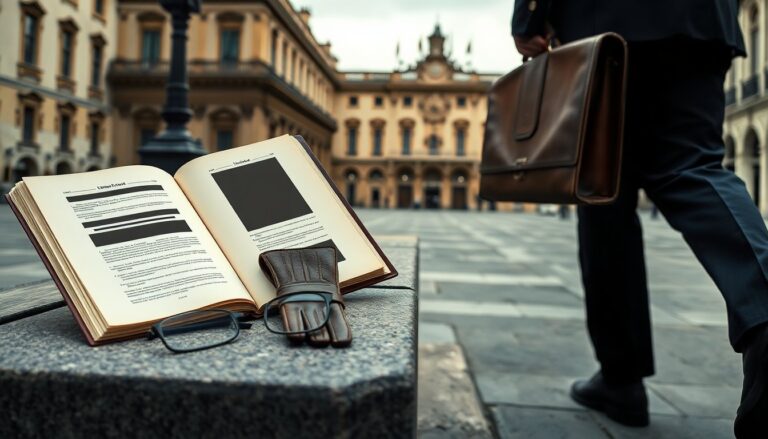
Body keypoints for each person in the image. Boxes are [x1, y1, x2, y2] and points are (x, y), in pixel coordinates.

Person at [511, 1, 768, 436]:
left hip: (606, 19)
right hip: (703, 19)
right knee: (694, 168)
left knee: (600, 186)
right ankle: (762, 308)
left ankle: (621, 378)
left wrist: (529, 17)